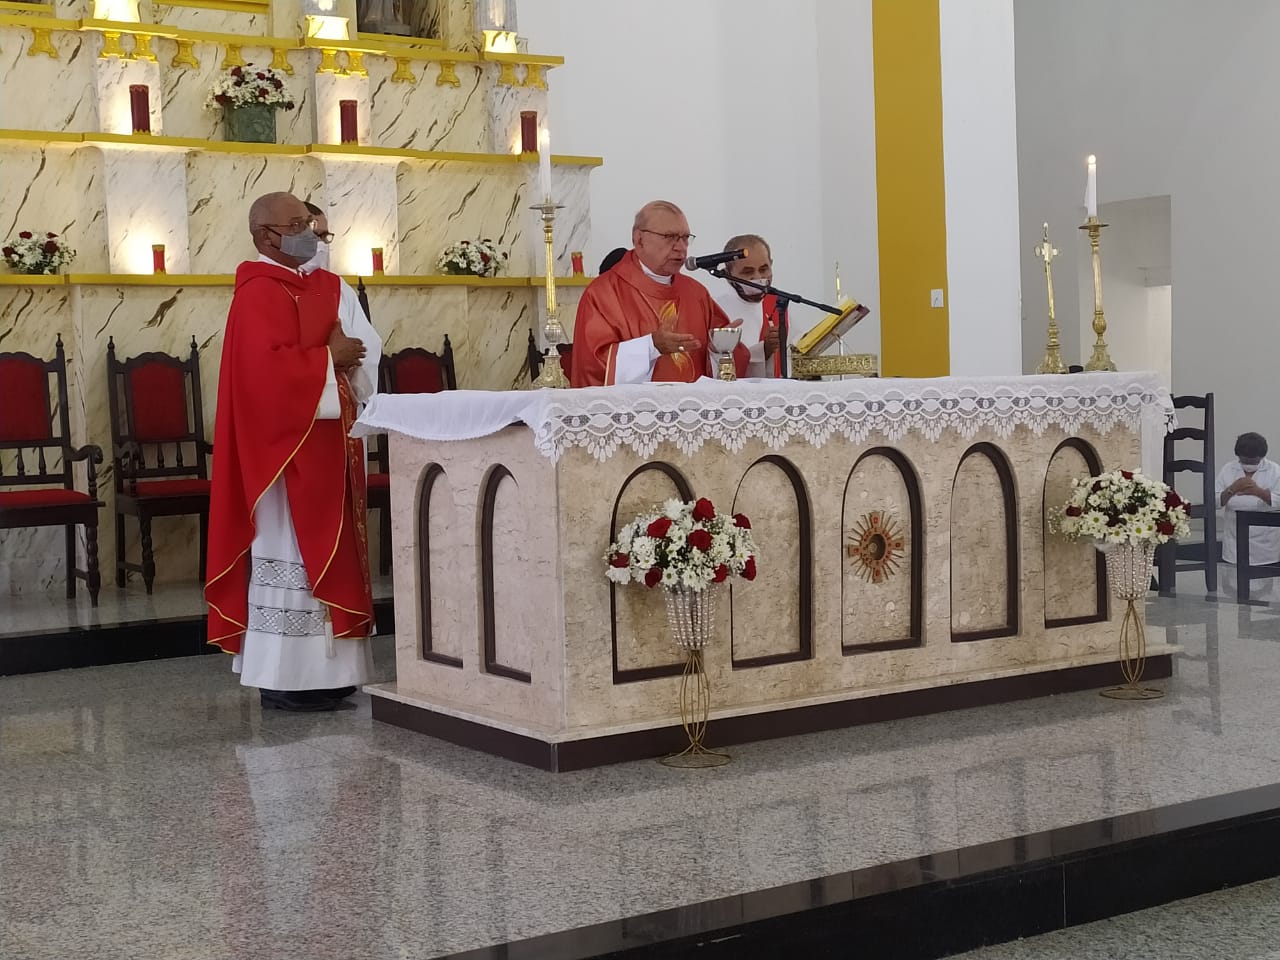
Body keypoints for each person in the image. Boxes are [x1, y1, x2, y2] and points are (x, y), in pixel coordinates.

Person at [205, 191, 375, 712]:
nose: (311, 233)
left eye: (312, 224)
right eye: (298, 224)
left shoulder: (326, 286)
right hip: (281, 454)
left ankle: (336, 672)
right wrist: (329, 360)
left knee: (336, 551)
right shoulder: (256, 292)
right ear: (265, 236)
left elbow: (364, 349)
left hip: (332, 441)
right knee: (289, 553)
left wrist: (347, 361)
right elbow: (261, 376)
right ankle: (285, 677)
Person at [569, 201, 749, 387]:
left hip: (693, 411)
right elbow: (593, 366)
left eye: (685, 238)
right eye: (670, 237)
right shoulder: (603, 294)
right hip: (636, 413)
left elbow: (733, 362)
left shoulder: (696, 293)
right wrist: (650, 347)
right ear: (639, 239)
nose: (681, 247)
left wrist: (716, 351)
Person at [301, 201, 383, 410]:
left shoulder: (338, 286)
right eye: (315, 235)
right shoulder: (270, 287)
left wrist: (353, 361)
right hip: (298, 401)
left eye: (324, 236)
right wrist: (329, 357)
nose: (321, 244)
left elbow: (369, 342)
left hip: (344, 391)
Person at [713, 233, 781, 379]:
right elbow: (717, 370)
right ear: (727, 275)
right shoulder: (716, 310)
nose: (757, 278)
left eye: (764, 269)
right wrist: (765, 350)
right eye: (748, 272)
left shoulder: (779, 306)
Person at [1216, 432, 1280, 568]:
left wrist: (1259, 492)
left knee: (1268, 586)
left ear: (1262, 456)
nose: (1249, 465)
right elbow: (1214, 501)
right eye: (1245, 461)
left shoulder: (1274, 471)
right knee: (1233, 584)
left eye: (1254, 461)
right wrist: (1232, 489)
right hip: (1234, 543)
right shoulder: (1228, 469)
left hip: (1266, 546)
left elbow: (1278, 501)